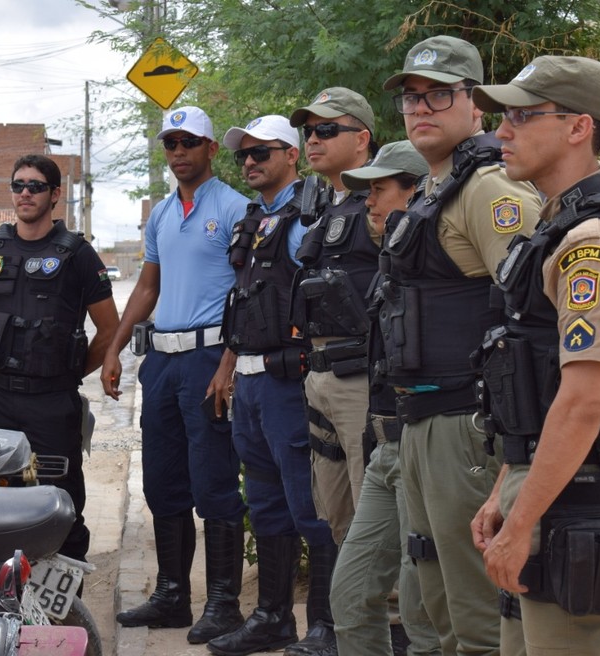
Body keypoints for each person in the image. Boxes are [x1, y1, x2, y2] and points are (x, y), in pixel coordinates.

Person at [469, 56, 600, 656]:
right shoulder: (556, 230)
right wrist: (507, 485)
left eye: (522, 116)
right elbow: (540, 382)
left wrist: (523, 518)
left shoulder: (594, 244)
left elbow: (584, 401)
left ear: (579, 128)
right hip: (549, 484)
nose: (502, 131)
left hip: (582, 497)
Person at [376, 35, 542, 655]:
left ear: (477, 106)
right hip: (422, 421)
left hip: (466, 426)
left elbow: (533, 313)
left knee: (480, 621)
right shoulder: (433, 190)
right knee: (437, 607)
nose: (421, 108)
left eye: (439, 95)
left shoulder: (488, 191)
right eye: (412, 98)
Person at [103, 107, 249, 645]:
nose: (179, 152)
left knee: (213, 482)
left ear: (211, 149)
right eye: (171, 143)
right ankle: (171, 596)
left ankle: (223, 604)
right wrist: (115, 348)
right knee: (163, 482)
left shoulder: (237, 209)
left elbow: (248, 294)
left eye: (189, 142)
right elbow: (147, 288)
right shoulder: (162, 213)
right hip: (162, 362)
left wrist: (229, 365)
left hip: (208, 359)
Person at [207, 115, 337, 656]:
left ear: (291, 155)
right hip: (252, 382)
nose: (251, 161)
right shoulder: (253, 218)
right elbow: (247, 302)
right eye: (244, 154)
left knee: (312, 506)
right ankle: (272, 617)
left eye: (263, 152)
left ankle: (326, 627)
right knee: (264, 505)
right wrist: (229, 363)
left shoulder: (307, 216)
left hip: (292, 380)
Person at [0, 154, 119, 563]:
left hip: (51, 403)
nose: (25, 193)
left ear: (55, 195)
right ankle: (1, 597)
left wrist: (69, 371)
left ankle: (65, 611)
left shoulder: (78, 255)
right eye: (18, 185)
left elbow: (109, 330)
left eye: (35, 186)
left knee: (60, 504)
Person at [328, 140, 441, 656]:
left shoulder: (442, 265)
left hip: (429, 446)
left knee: (423, 615)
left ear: (415, 191)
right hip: (385, 446)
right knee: (350, 596)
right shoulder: (387, 263)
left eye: (379, 190)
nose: (368, 203)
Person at [287, 87, 377, 545]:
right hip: (321, 374)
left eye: (326, 129)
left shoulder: (383, 200)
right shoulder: (324, 206)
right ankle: (350, 616)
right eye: (308, 132)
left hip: (361, 376)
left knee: (375, 519)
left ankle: (395, 619)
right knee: (338, 519)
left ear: (361, 139)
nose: (313, 140)